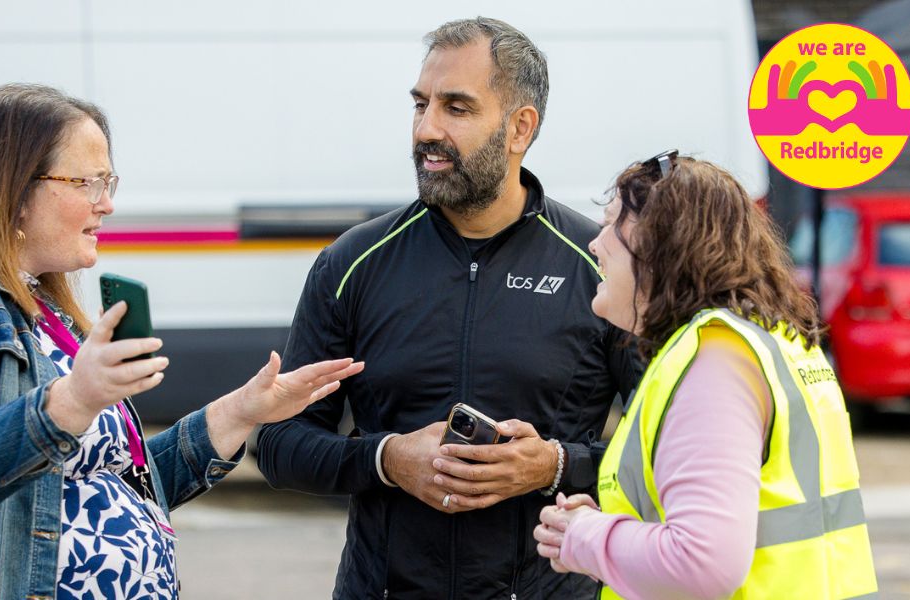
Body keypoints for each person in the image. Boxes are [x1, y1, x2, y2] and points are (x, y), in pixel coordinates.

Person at [0, 83, 363, 599]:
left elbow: (119, 486)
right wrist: (73, 401)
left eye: (110, 182)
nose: (106, 204)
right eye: (88, 183)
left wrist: (242, 412)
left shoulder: (41, 306)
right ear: (13, 190)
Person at [257, 18, 639, 598]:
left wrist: (555, 465)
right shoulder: (353, 262)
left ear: (519, 128)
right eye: (420, 104)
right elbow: (279, 444)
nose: (426, 129)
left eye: (456, 108)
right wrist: (386, 459)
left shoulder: (600, 268)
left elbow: (666, 448)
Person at [533, 153, 878, 599]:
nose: (595, 244)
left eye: (611, 225)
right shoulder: (771, 342)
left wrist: (585, 536)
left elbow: (701, 562)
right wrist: (608, 527)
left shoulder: (715, 359)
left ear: (661, 244)